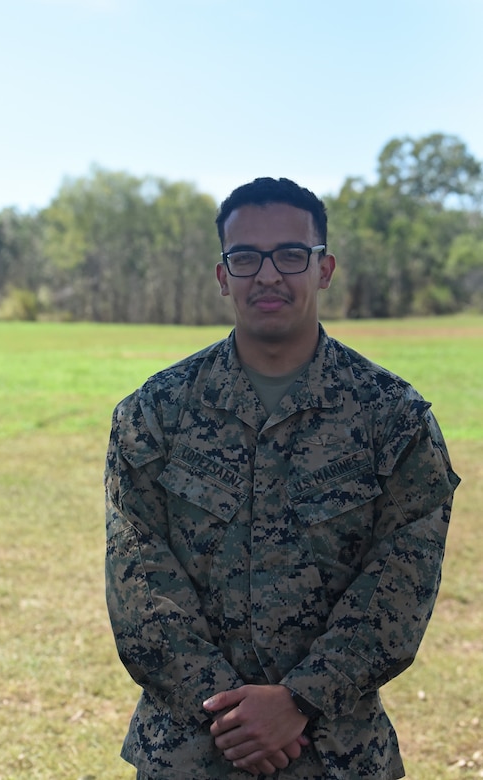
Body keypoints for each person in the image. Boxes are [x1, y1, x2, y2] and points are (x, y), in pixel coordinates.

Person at [105, 177, 460, 779]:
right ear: (223, 276)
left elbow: (402, 581)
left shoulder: (392, 418)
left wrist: (300, 700)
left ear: (324, 269)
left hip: (336, 754)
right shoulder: (153, 414)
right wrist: (232, 716)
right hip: (189, 752)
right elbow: (140, 581)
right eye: (245, 257)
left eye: (292, 255)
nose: (268, 275)